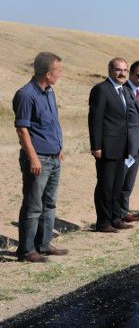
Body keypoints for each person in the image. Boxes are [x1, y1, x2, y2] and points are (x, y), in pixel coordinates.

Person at [12, 52, 69, 262]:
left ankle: (43, 245)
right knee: (33, 205)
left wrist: (59, 147)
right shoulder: (26, 95)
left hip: (54, 157)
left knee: (49, 203)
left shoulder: (49, 93)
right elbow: (22, 130)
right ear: (48, 73)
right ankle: (26, 250)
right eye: (58, 71)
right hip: (38, 159)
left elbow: (53, 122)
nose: (60, 75)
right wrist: (33, 158)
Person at [89, 57, 134, 232]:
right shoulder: (101, 89)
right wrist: (96, 146)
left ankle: (116, 218)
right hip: (106, 147)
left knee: (117, 186)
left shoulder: (123, 91)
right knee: (105, 186)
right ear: (110, 70)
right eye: (118, 70)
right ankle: (103, 222)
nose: (122, 73)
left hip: (121, 147)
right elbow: (95, 120)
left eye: (125, 70)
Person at [120, 60, 139, 223]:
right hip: (124, 145)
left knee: (129, 181)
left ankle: (124, 212)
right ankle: (114, 213)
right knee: (120, 180)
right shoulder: (122, 91)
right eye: (138, 76)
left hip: (137, 145)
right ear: (131, 74)